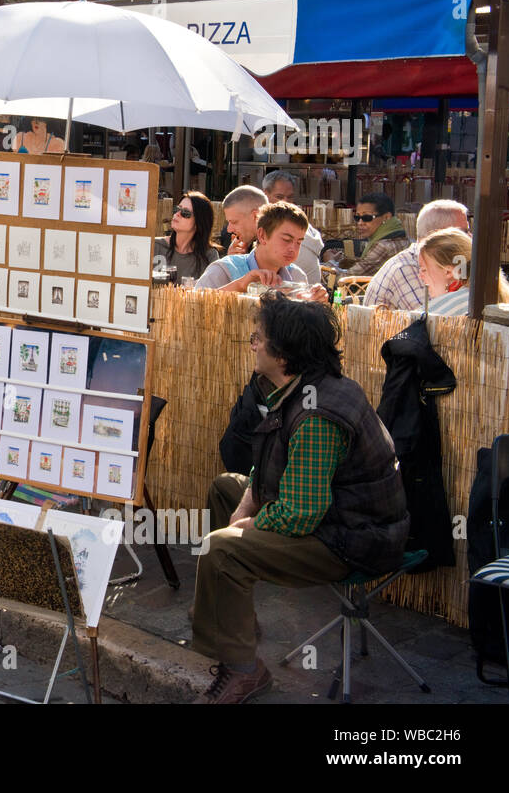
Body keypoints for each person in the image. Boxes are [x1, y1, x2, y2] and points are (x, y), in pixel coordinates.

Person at [192, 293, 409, 703]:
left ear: (285, 355)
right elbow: (272, 461)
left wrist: (246, 527)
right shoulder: (301, 388)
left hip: (353, 539)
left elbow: (299, 514)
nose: (253, 343)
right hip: (335, 518)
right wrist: (245, 506)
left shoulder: (316, 415)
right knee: (226, 487)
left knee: (221, 549)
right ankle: (234, 623)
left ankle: (244, 670)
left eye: (259, 337)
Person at [196, 202, 326, 299]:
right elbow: (190, 306)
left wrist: (316, 306)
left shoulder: (297, 277)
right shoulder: (225, 270)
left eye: (299, 242)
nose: (293, 248)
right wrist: (240, 286)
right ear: (262, 235)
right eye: (286, 240)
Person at [364, 199, 469, 309]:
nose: (469, 237)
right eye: (463, 232)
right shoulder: (407, 268)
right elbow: (432, 318)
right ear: (439, 235)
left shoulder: (443, 262)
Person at [415, 227, 509, 317]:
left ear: (448, 272)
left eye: (424, 269)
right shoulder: (490, 295)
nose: (420, 276)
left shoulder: (438, 312)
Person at [261, 170, 324, 284]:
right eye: (279, 196)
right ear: (265, 194)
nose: (285, 202)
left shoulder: (295, 224)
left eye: (289, 197)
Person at [153, 191, 219, 281]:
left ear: (199, 222)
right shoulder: (155, 246)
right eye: (177, 209)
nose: (177, 214)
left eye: (185, 213)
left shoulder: (209, 256)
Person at [341, 193, 410, 276]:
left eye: (367, 218)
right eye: (357, 217)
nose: (360, 223)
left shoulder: (383, 246)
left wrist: (330, 262)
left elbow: (345, 278)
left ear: (386, 217)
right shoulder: (401, 236)